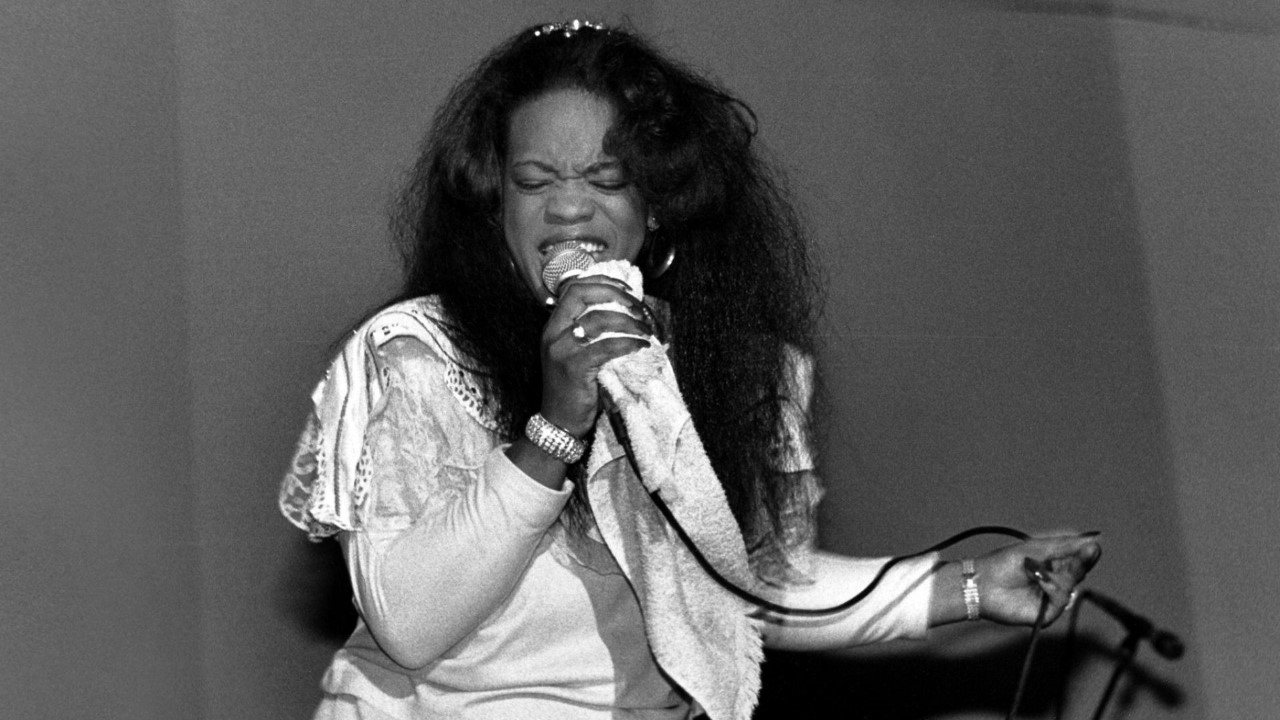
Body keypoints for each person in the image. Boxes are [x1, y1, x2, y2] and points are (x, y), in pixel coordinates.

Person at [279, 20, 1101, 720]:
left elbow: (742, 590)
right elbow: (407, 624)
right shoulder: (414, 353)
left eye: (607, 179)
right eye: (533, 181)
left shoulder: (735, 365)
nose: (568, 206)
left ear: (659, 204)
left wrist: (967, 589)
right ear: (496, 204)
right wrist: (553, 429)